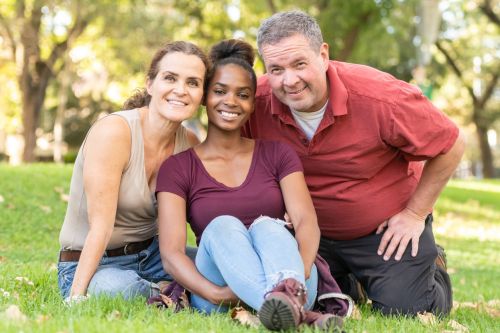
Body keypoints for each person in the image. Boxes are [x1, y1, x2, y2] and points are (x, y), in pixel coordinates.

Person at [242, 10, 466, 316]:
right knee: (314, 302)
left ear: (323, 55)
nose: (289, 80)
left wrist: (415, 214)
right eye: (276, 69)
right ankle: (349, 281)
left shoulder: (381, 98)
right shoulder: (255, 102)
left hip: (383, 232)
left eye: (299, 64)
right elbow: (236, 157)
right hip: (307, 235)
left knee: (408, 310)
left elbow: (451, 144)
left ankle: (431, 264)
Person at [155, 39, 342, 331]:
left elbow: (306, 221)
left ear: (253, 103)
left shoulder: (277, 154)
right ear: (205, 96)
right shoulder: (178, 168)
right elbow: (172, 254)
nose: (230, 101)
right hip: (218, 290)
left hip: (291, 277)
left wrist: (300, 275)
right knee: (222, 225)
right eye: (219, 91)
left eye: (242, 95)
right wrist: (216, 293)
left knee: (268, 226)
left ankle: (287, 304)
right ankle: (299, 315)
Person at [57, 41, 209, 302]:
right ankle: (168, 292)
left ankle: (168, 289)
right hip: (95, 263)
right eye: (170, 78)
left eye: (193, 83)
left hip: (154, 256)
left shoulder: (190, 144)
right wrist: (76, 296)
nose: (181, 90)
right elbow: (100, 227)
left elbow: (193, 218)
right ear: (151, 84)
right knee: (115, 289)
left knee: (217, 267)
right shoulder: (115, 132)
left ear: (203, 94)